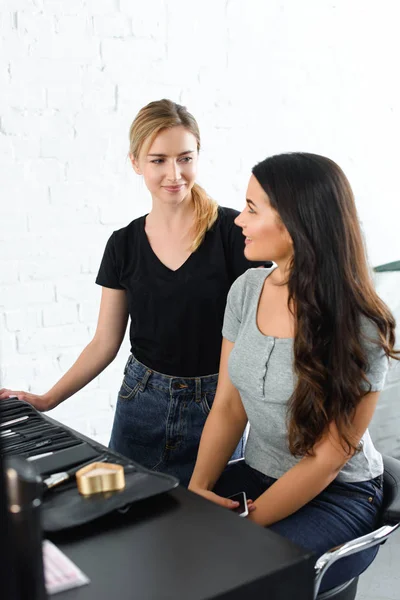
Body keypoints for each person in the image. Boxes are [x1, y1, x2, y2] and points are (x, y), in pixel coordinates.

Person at [0, 99, 255, 486]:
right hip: (141, 403)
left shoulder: (237, 234)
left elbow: (260, 337)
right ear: (135, 162)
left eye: (185, 158)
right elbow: (105, 342)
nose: (174, 173)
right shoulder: (123, 244)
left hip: (218, 407)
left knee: (208, 531)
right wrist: (47, 399)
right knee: (126, 523)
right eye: (158, 160)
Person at [188, 152, 399, 592]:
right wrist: (197, 492)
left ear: (295, 222)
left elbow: (328, 457)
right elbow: (228, 407)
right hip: (258, 474)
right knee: (174, 544)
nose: (238, 221)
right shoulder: (246, 290)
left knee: (250, 576)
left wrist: (247, 521)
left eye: (251, 208)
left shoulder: (362, 322)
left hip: (338, 494)